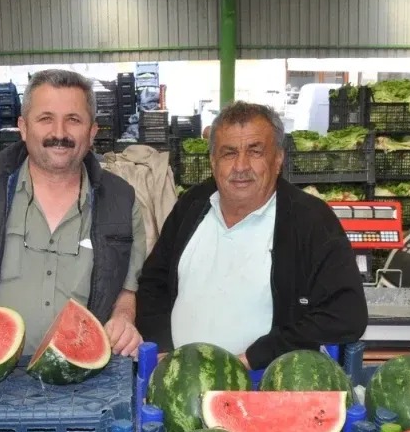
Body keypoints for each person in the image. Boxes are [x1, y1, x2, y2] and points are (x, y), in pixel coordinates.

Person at [0, 69, 148, 357]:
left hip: (86, 382)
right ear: (24, 127)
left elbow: (126, 291)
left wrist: (124, 320)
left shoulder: (122, 200)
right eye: (45, 119)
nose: (59, 133)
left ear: (92, 132)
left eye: (73, 120)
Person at [136, 101, 367, 368]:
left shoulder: (311, 219)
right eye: (229, 153)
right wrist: (162, 347)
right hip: (181, 378)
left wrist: (256, 358)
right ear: (213, 161)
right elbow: (154, 282)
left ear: (278, 158)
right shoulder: (192, 205)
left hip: (266, 384)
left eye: (255, 151)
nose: (241, 165)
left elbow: (346, 314)